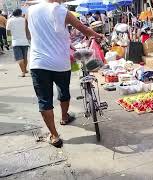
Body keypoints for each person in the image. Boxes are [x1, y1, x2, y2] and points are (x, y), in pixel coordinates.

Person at [27, 0, 102, 148]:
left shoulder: (30, 11)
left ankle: (54, 135)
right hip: (60, 63)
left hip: (38, 63)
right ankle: (64, 117)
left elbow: (29, 35)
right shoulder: (62, 11)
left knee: (44, 100)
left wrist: (42, 42)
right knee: (64, 91)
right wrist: (98, 35)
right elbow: (82, 28)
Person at [6, 9, 30, 77]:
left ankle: (23, 72)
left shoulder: (10, 20)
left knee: (19, 58)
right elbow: (28, 29)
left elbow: (8, 32)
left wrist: (9, 41)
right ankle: (25, 69)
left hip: (15, 42)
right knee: (25, 57)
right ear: (20, 13)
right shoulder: (24, 20)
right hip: (25, 41)